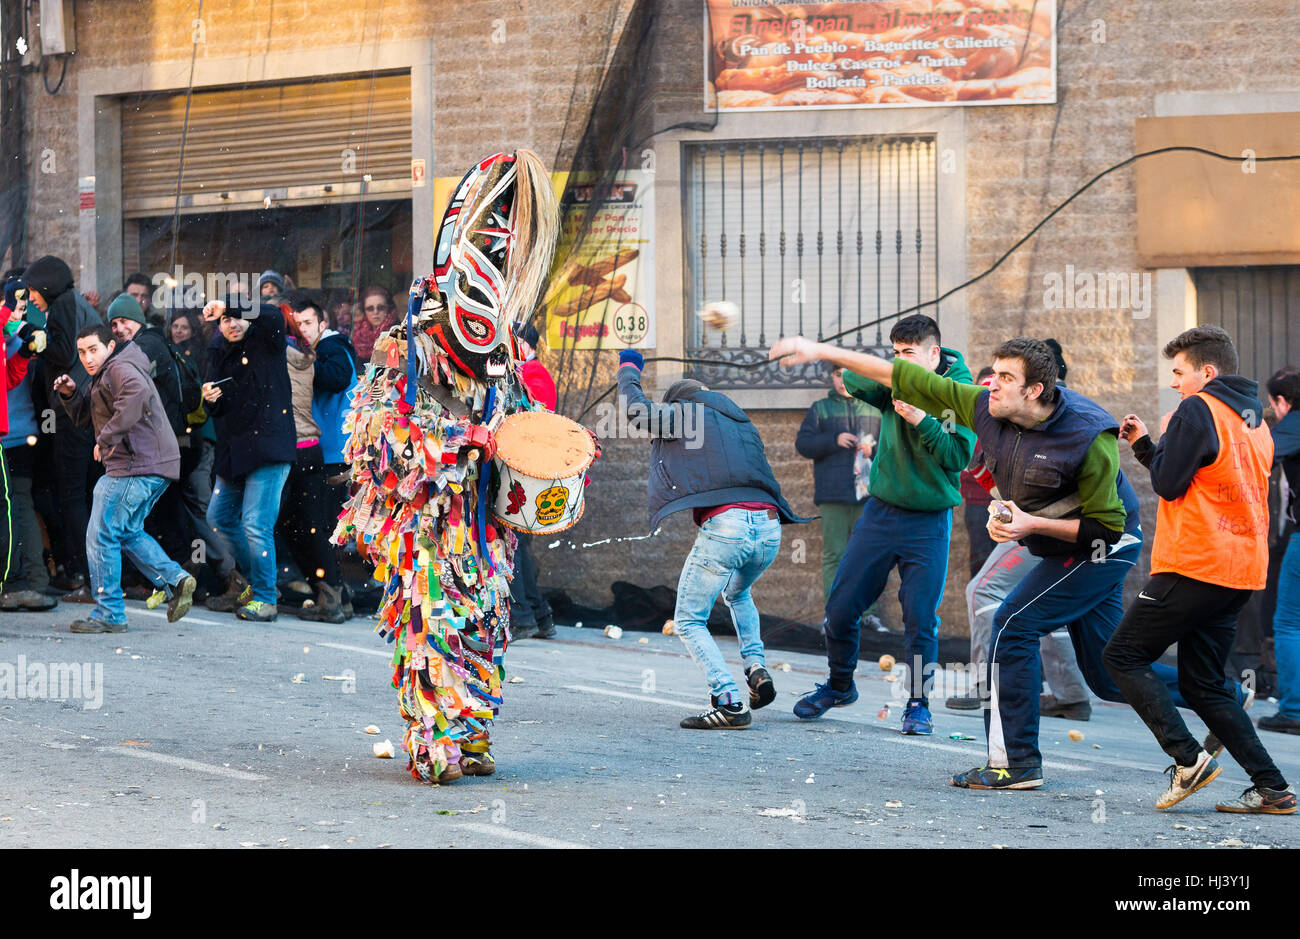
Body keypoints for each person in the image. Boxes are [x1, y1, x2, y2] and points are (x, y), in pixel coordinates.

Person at [770, 333, 1247, 790]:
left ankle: (1014, 763)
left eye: (1003, 377)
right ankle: (1221, 697)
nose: (989, 383)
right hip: (1063, 545)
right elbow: (899, 375)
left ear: (1035, 390)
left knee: (1010, 625)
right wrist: (817, 350)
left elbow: (1105, 529)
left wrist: (1028, 525)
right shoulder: (985, 406)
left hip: (1105, 543)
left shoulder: (1088, 435)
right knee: (1105, 674)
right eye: (991, 374)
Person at [1105, 327, 1295, 814]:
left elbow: (1169, 485)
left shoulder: (1198, 409)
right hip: (1242, 568)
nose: (1175, 383)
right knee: (1204, 683)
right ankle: (1272, 788)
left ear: (1206, 372)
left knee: (1122, 656)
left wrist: (1160, 439)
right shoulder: (1254, 417)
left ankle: (1188, 761)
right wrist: (1149, 444)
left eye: (1179, 372)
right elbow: (1202, 477)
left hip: (1195, 562)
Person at [788, 315, 976, 737]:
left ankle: (918, 703)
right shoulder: (899, 379)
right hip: (881, 511)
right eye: (895, 354)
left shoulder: (961, 392)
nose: (900, 362)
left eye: (908, 354)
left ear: (935, 354)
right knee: (840, 608)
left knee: (920, 618)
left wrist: (921, 420)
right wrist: (884, 374)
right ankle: (839, 685)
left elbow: (957, 458)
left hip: (929, 519)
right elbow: (854, 379)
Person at [618, 347, 809, 729]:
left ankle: (729, 701)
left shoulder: (686, 413)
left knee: (689, 620)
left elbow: (637, 413)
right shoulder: (740, 421)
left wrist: (628, 369)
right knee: (737, 593)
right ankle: (756, 668)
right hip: (769, 527)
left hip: (728, 529)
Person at [947, 346, 1091, 719]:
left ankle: (987, 687)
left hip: (1050, 529)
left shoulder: (1033, 429)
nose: (990, 393)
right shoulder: (1025, 425)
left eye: (1003, 381)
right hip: (1067, 532)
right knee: (1044, 611)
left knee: (982, 590)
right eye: (989, 384)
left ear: (1035, 390)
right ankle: (1071, 694)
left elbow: (1025, 498)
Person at [52, 324, 196, 633]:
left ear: (110, 347)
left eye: (93, 349)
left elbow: (137, 394)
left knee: (102, 534)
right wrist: (71, 394)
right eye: (82, 352)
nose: (88, 358)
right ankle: (176, 578)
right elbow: (87, 418)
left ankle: (110, 614)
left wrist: (105, 439)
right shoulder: (106, 374)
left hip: (135, 464)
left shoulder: (119, 368)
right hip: (151, 465)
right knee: (125, 530)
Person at [201, 295, 296, 622]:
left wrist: (224, 303)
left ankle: (267, 597)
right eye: (225, 319)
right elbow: (220, 406)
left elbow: (271, 313)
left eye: (238, 317)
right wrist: (211, 399)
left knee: (256, 524)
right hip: (234, 451)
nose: (232, 323)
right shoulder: (217, 350)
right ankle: (257, 582)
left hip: (269, 446)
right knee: (219, 517)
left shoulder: (267, 338)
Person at [23, 255, 103, 602]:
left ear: (45, 285)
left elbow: (59, 350)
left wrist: (31, 337)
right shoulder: (75, 305)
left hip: (73, 414)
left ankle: (89, 577)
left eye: (31, 291)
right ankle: (99, 577)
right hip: (88, 411)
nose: (31, 299)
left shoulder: (63, 307)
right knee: (87, 497)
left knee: (72, 498)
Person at [278, 307, 347, 623]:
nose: (304, 328)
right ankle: (331, 594)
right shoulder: (309, 352)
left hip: (323, 451)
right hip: (314, 450)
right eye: (299, 323)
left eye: (309, 322)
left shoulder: (328, 349)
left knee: (313, 527)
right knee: (303, 526)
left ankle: (332, 596)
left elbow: (338, 377)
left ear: (323, 324)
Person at [795, 364, 882, 611]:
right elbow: (803, 444)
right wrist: (833, 440)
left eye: (848, 374)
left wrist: (872, 450)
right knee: (835, 556)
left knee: (868, 557)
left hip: (868, 496)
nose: (843, 380)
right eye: (837, 374)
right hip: (832, 495)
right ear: (831, 378)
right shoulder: (820, 409)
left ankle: (869, 615)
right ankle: (834, 614)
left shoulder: (875, 409)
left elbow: (892, 447)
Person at [1, 281, 57, 612]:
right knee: (14, 507)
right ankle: (21, 582)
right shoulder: (8, 329)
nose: (20, 314)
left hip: (17, 436)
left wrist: (24, 351)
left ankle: (27, 581)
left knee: (15, 506)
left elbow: (10, 378)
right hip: (12, 436)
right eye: (18, 307)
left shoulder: (16, 336)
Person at [508, 320, 557, 640]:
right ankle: (539, 616)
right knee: (519, 544)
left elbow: (532, 421)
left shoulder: (533, 373)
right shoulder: (525, 372)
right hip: (524, 467)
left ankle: (525, 616)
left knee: (516, 544)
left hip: (528, 467)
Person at [1262, 367, 1300, 736]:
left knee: (1288, 622)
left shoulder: (1293, 423)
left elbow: (1261, 456)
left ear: (1282, 402)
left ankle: (1293, 710)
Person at [350, 285, 397, 360]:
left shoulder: (397, 334)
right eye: (370, 308)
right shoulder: (358, 335)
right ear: (364, 311)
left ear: (388, 309)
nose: (375, 312)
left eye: (380, 308)